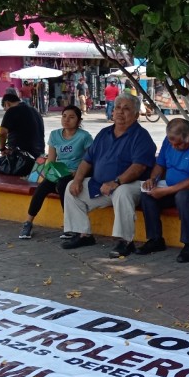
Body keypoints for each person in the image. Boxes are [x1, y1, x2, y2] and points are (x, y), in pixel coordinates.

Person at [60, 93, 156, 257]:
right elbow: (87, 160)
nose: (120, 112)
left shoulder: (141, 136)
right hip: (102, 186)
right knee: (71, 187)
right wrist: (77, 180)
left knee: (122, 192)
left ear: (136, 115)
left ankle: (125, 241)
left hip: (131, 185)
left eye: (126, 109)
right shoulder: (104, 133)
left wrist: (116, 182)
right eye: (117, 108)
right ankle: (83, 234)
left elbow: (138, 167)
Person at [138, 118, 189, 262]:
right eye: (172, 143)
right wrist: (153, 180)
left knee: (183, 196)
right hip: (173, 188)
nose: (174, 147)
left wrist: (165, 191)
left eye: (179, 144)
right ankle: (155, 239)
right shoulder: (170, 141)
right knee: (148, 196)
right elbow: (160, 164)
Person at [18, 105, 94, 239]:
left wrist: (77, 173)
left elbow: (91, 159)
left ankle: (69, 226)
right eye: (64, 116)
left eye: (71, 117)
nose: (67, 120)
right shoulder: (55, 135)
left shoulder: (84, 136)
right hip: (59, 173)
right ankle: (28, 223)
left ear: (78, 120)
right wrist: (50, 174)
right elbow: (52, 160)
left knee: (63, 186)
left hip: (76, 173)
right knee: (41, 189)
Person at [0, 91, 45, 174]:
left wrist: (2, 148)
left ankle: (4, 185)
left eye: (5, 108)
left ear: (7, 103)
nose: (5, 111)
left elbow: (2, 133)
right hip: (38, 157)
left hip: (21, 160)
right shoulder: (36, 111)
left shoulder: (12, 110)